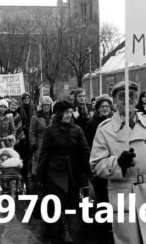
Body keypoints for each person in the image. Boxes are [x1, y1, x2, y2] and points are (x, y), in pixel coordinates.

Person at [90, 81, 146, 244]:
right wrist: (117, 163)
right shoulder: (104, 129)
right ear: (114, 102)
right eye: (122, 96)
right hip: (123, 193)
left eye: (132, 96)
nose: (127, 100)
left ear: (137, 99)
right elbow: (95, 164)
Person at [37, 100, 91, 243]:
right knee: (58, 201)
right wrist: (39, 173)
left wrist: (88, 171)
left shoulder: (77, 130)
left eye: (70, 112)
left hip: (72, 171)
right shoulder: (50, 130)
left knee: (70, 201)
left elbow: (84, 152)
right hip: (54, 171)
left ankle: (65, 227)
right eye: (65, 112)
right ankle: (64, 230)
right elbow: (44, 152)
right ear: (59, 114)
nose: (68, 115)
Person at [84, 94, 113, 236]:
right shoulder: (92, 124)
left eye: (108, 106)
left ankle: (111, 222)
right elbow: (88, 145)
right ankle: (103, 224)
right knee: (102, 195)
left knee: (112, 194)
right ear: (98, 108)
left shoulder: (114, 121)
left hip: (112, 162)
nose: (105, 108)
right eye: (103, 106)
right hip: (99, 162)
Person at [29, 96, 53, 179]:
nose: (46, 107)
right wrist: (33, 143)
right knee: (38, 162)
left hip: (51, 144)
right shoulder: (36, 117)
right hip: (39, 143)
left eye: (48, 105)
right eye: (44, 105)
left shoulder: (53, 116)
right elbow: (32, 132)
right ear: (41, 106)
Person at [18, 92, 36, 177]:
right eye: (25, 98)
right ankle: (24, 169)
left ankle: (30, 168)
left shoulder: (33, 107)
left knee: (31, 150)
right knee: (25, 152)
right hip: (24, 131)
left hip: (32, 131)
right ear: (22, 100)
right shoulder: (19, 108)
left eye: (28, 98)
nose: (26, 100)